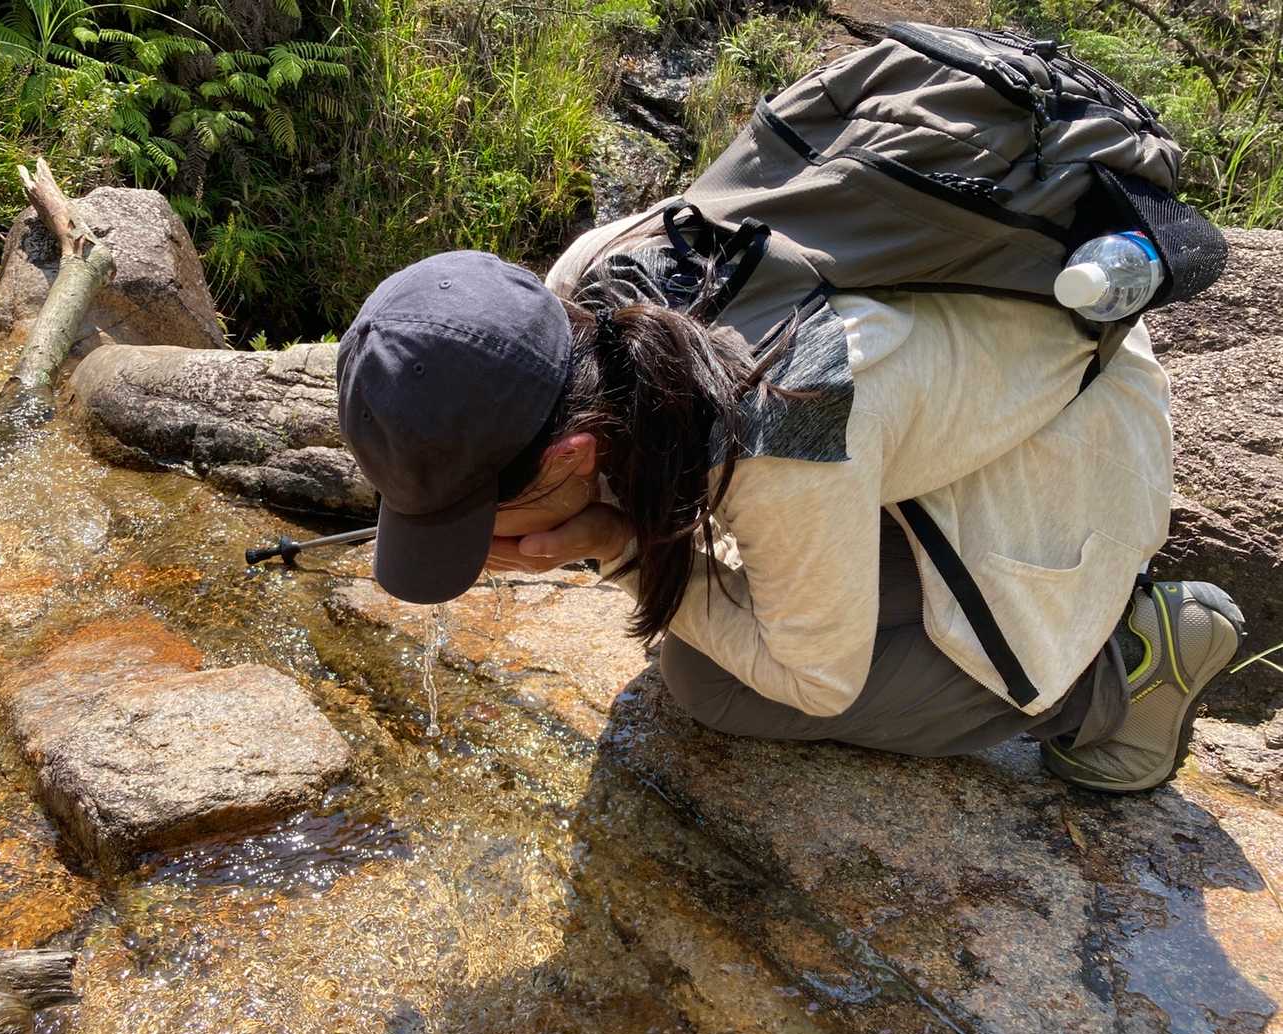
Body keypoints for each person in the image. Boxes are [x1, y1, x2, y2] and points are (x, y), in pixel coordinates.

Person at [334, 245, 1244, 794]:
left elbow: (817, 682)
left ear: (569, 457)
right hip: (948, 409)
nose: (483, 544)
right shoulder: (586, 289)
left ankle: (1118, 668)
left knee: (718, 683)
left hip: (1062, 459)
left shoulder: (778, 428)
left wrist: (615, 547)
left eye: (483, 515)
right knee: (724, 623)